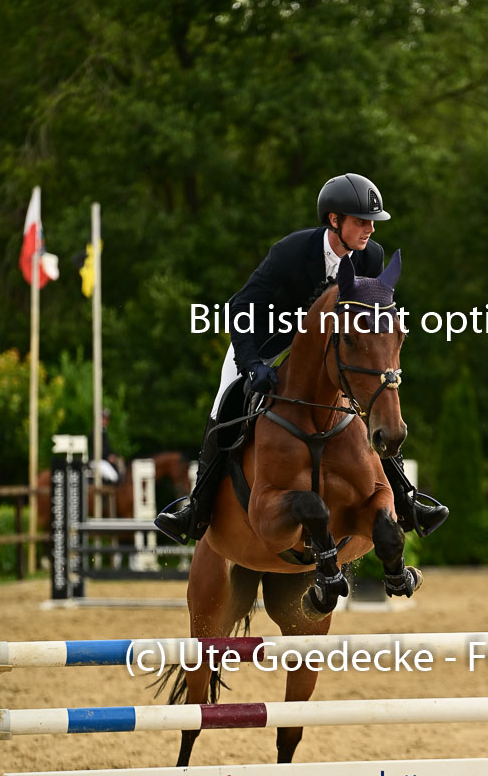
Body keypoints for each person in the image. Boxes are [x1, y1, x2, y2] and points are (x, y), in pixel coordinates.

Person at [155, 173, 449, 543]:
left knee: (377, 402)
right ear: (334, 220)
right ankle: (196, 508)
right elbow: (241, 307)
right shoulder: (292, 252)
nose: (371, 229)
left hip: (328, 352)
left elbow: (370, 321)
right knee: (226, 402)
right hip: (266, 343)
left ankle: (404, 499)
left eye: (372, 222)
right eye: (362, 221)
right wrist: (252, 365)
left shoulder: (371, 256)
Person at [89, 408, 122, 484]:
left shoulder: (103, 431)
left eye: (106, 419)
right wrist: (108, 456)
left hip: (103, 461)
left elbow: (107, 448)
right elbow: (99, 449)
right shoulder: (95, 431)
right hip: (96, 461)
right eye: (103, 418)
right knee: (113, 477)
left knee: (117, 472)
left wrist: (115, 455)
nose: (105, 421)